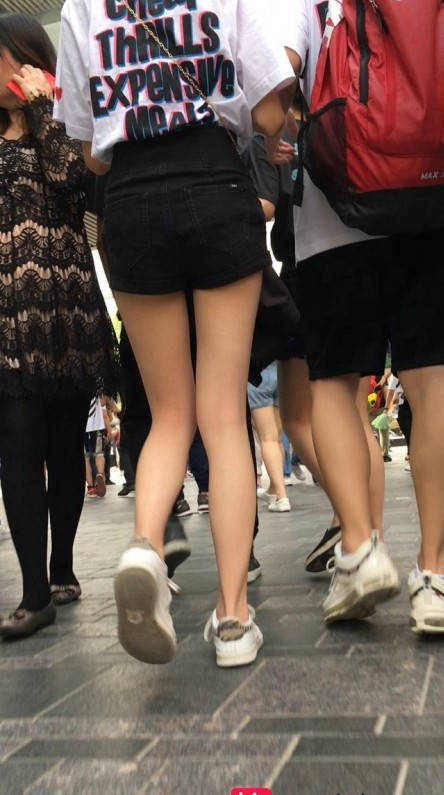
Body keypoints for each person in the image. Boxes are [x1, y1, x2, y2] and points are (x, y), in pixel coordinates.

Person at [57, 4, 294, 668]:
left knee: (168, 414)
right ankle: (233, 620)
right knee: (223, 417)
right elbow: (269, 111)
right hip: (215, 183)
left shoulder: (80, 6)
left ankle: (144, 548)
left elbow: (88, 151)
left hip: (131, 199)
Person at [276, 0, 444, 632]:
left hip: (333, 218)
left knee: (335, 385)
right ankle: (436, 576)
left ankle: (360, 549)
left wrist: (277, 130)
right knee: (432, 382)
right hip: (429, 198)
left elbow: (273, 84)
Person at [0, 13, 118, 640]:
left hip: (68, 317)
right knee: (18, 451)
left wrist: (43, 107)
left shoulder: (66, 121)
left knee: (65, 450)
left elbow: (74, 182)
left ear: (26, 59)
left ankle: (64, 566)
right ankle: (33, 592)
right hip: (9, 322)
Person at [249, 88, 384, 573]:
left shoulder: (277, 132)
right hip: (365, 253)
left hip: (311, 266)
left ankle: (356, 526)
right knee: (351, 415)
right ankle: (363, 531)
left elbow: (268, 205)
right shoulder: (345, 117)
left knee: (304, 414)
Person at [248, 362, 291, 512]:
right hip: (278, 372)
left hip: (257, 375)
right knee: (277, 439)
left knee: (267, 439)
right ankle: (273, 489)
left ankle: (281, 496)